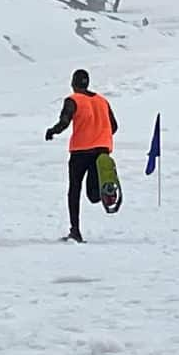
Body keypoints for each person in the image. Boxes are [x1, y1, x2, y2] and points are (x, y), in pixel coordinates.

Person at [45, 69, 118, 243]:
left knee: (75, 190)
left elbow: (64, 122)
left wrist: (52, 131)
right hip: (102, 151)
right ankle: (106, 193)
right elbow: (114, 126)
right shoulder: (103, 101)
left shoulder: (73, 100)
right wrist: (100, 135)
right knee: (93, 194)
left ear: (73, 84)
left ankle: (75, 231)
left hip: (81, 152)